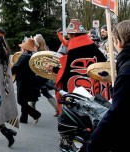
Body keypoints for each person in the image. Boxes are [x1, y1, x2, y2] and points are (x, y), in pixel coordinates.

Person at [86, 20, 130, 152]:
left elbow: (117, 112)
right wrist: (113, 80)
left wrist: (95, 140)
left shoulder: (127, 69)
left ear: (119, 41)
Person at [51, 19, 107, 113]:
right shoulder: (92, 45)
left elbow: (66, 69)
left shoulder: (73, 47)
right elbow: (103, 63)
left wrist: (54, 68)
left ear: (72, 34)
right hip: (94, 87)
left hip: (77, 89)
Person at [11, 38, 42, 124]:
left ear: (25, 48)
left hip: (23, 81)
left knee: (20, 100)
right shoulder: (31, 55)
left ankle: (36, 114)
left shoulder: (24, 56)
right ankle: (23, 118)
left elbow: (16, 67)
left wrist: (9, 73)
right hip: (30, 80)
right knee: (24, 100)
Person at [33, 34, 59, 117]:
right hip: (45, 75)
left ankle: (31, 111)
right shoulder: (46, 50)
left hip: (38, 74)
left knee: (33, 91)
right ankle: (57, 108)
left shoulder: (37, 52)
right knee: (44, 92)